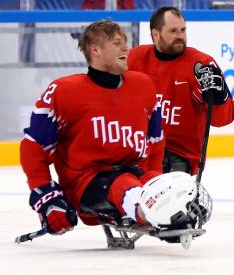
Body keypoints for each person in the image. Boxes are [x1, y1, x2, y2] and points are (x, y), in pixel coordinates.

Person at [19, 20, 164, 235]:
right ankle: (150, 212)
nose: (126, 48)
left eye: (125, 42)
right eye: (116, 43)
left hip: (134, 173)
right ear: (95, 50)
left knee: (163, 185)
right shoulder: (64, 92)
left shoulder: (144, 85)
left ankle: (162, 209)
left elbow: (155, 140)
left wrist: (157, 181)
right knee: (123, 183)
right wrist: (46, 195)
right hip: (86, 183)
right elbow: (34, 147)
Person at [128, 7, 234, 174]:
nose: (180, 36)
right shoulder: (134, 58)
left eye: (183, 30)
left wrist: (219, 98)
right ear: (156, 35)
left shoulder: (201, 64)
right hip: (137, 147)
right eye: (173, 31)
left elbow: (223, 119)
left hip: (179, 154)